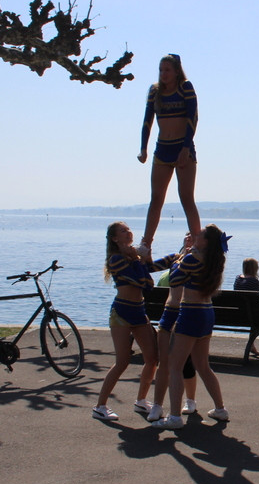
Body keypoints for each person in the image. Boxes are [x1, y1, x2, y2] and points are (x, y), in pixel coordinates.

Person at [93, 222, 178, 421]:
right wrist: (138, 259)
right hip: (121, 313)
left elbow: (154, 266)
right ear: (115, 239)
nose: (128, 231)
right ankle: (100, 406)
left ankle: (141, 400)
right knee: (122, 361)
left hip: (139, 312)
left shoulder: (133, 258)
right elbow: (145, 282)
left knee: (152, 358)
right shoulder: (116, 260)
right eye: (123, 230)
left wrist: (176, 256)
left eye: (128, 228)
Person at [152, 224, 230, 429]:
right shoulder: (213, 260)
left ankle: (175, 417)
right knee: (203, 365)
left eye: (200, 234)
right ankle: (220, 409)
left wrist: (181, 260)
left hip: (190, 312)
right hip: (206, 313)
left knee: (174, 365)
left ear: (206, 241)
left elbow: (175, 279)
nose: (196, 235)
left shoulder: (193, 257)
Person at [137, 54, 201, 258]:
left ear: (176, 71)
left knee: (186, 198)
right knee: (156, 199)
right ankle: (146, 244)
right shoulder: (154, 91)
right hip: (162, 149)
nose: (163, 74)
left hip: (183, 148)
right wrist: (143, 148)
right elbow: (147, 120)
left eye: (167, 70)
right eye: (161, 70)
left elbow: (193, 118)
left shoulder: (185, 87)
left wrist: (185, 148)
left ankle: (198, 244)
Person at [145, 258, 198, 423]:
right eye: (187, 236)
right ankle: (157, 405)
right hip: (169, 312)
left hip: (188, 313)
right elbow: (149, 266)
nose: (189, 238)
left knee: (186, 363)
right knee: (164, 362)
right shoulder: (174, 258)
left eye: (194, 237)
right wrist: (146, 250)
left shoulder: (201, 261)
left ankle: (190, 400)